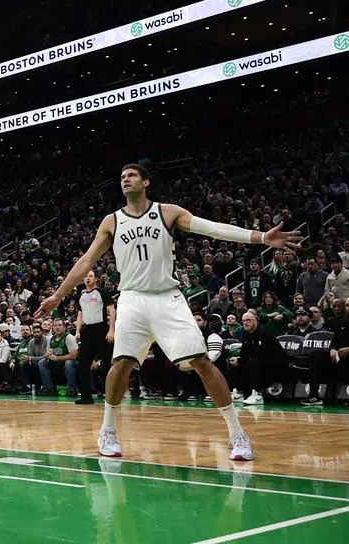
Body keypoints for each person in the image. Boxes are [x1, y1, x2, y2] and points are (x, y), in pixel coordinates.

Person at [36, 162, 302, 461]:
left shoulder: (168, 212)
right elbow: (86, 261)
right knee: (121, 364)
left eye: (131, 175)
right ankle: (108, 430)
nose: (125, 180)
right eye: (122, 176)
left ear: (146, 182)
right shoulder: (111, 221)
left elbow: (213, 229)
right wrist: (58, 296)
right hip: (132, 299)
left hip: (167, 297)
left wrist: (261, 237)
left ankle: (237, 434)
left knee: (201, 361)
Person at [74, 270, 116, 404]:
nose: (87, 278)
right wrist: (77, 331)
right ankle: (86, 397)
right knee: (82, 366)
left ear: (96, 279)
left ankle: (111, 394)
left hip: (102, 330)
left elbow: (111, 309)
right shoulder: (80, 295)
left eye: (90, 276)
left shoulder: (102, 292)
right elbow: (80, 314)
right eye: (85, 276)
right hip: (87, 332)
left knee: (106, 365)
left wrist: (111, 330)